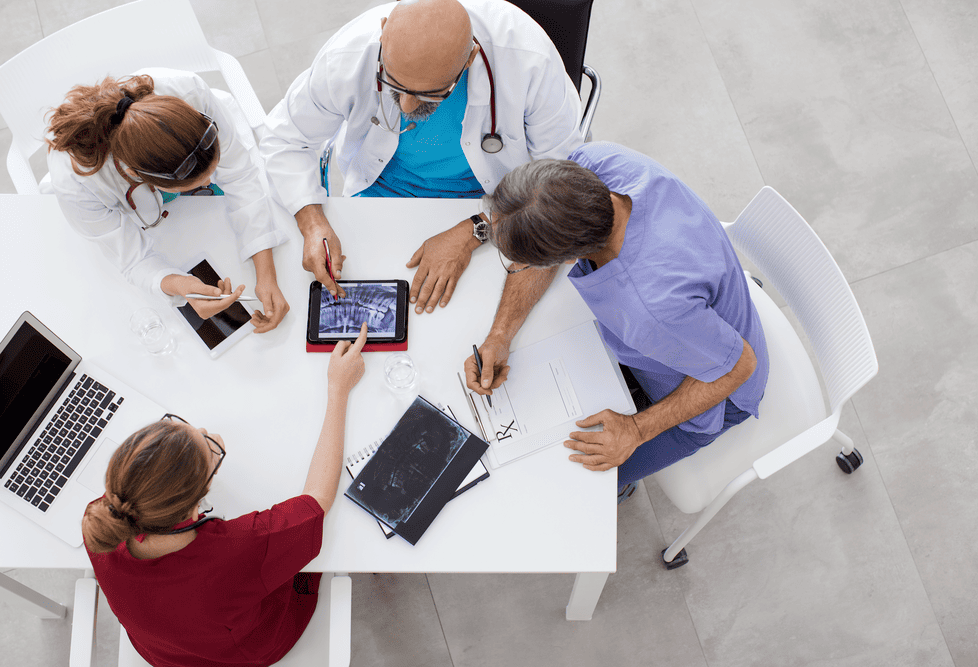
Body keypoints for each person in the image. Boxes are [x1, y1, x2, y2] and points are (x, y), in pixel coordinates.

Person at [464, 143, 770, 499]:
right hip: (687, 331)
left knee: (574, 487)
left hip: (717, 390)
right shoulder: (594, 164)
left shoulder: (650, 306)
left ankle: (621, 487)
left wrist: (635, 430)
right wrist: (501, 334)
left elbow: (740, 365)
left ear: (567, 259)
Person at [260, 0, 583, 314]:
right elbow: (284, 140)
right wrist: (312, 222)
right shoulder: (347, 56)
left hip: (497, 202)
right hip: (378, 193)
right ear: (383, 33)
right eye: (394, 85)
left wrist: (476, 229)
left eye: (431, 95)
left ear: (469, 58)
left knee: (470, 315)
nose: (406, 107)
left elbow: (558, 182)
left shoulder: (529, 60)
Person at [81, 325, 367, 667]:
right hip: (244, 653)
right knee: (327, 556)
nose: (207, 432)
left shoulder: (100, 518)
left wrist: (198, 459)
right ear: (194, 502)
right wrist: (338, 389)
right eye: (210, 448)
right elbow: (317, 499)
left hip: (165, 654)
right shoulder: (240, 549)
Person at [47, 68, 290, 332]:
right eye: (200, 183)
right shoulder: (76, 184)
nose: (211, 183)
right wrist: (183, 286)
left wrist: (266, 275)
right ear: (134, 176)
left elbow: (239, 176)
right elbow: (133, 260)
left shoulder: (189, 94)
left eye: (210, 173)